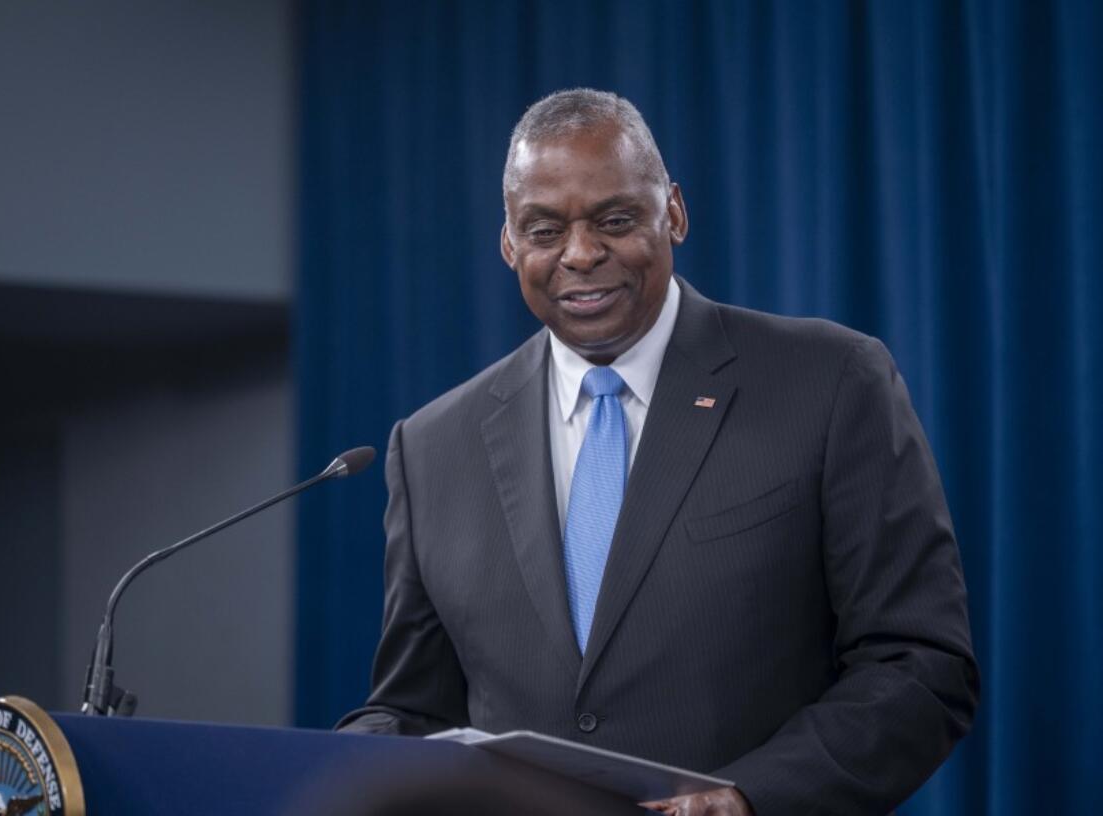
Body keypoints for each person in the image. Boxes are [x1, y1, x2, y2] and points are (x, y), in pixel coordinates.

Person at [338, 89, 979, 816]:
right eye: (544, 230)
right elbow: (415, 709)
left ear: (672, 210)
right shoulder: (430, 448)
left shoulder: (829, 382)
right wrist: (329, 765)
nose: (580, 254)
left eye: (614, 220)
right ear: (509, 243)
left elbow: (919, 665)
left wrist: (749, 795)